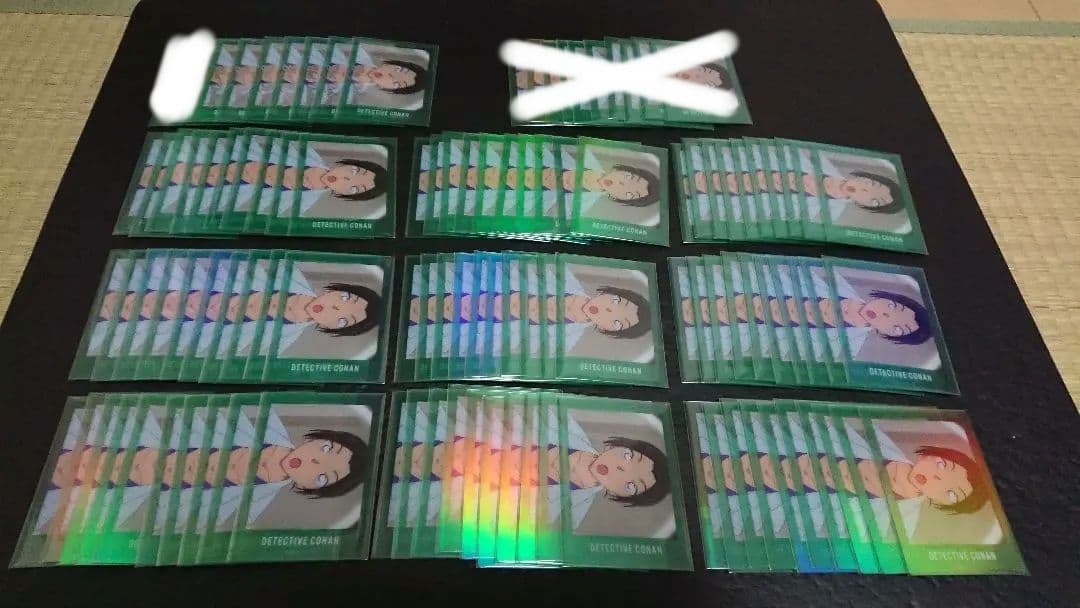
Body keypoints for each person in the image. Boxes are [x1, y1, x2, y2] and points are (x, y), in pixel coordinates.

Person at [696, 413, 990, 541]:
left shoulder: (889, 529)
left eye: (951, 493)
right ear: (931, 454)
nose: (937, 479)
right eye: (944, 466)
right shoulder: (868, 434)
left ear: (944, 505)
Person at [99, 258, 382, 359]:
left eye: (342, 320)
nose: (333, 309)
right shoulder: (273, 271)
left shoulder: (269, 345)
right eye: (345, 299)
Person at [679, 263, 934, 363]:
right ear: (888, 298)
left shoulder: (843, 350)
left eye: (897, 327)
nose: (887, 316)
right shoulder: (830, 277)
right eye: (894, 308)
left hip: (711, 334)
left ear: (888, 335)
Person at [404, 261, 652, 361]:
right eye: (617, 302)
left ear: (610, 331)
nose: (607, 311)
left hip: (437, 329)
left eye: (617, 323)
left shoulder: (560, 345)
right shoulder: (558, 271)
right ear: (612, 292)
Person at [544, 410, 670, 530]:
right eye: (628, 456)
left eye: (631, 486)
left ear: (620, 495)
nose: (620, 469)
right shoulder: (566, 425)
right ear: (621, 445)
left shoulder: (572, 514)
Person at [322, 44, 428, 103]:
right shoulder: (357, 51)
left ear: (391, 90)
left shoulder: (354, 96)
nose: (391, 76)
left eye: (396, 83)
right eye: (398, 69)